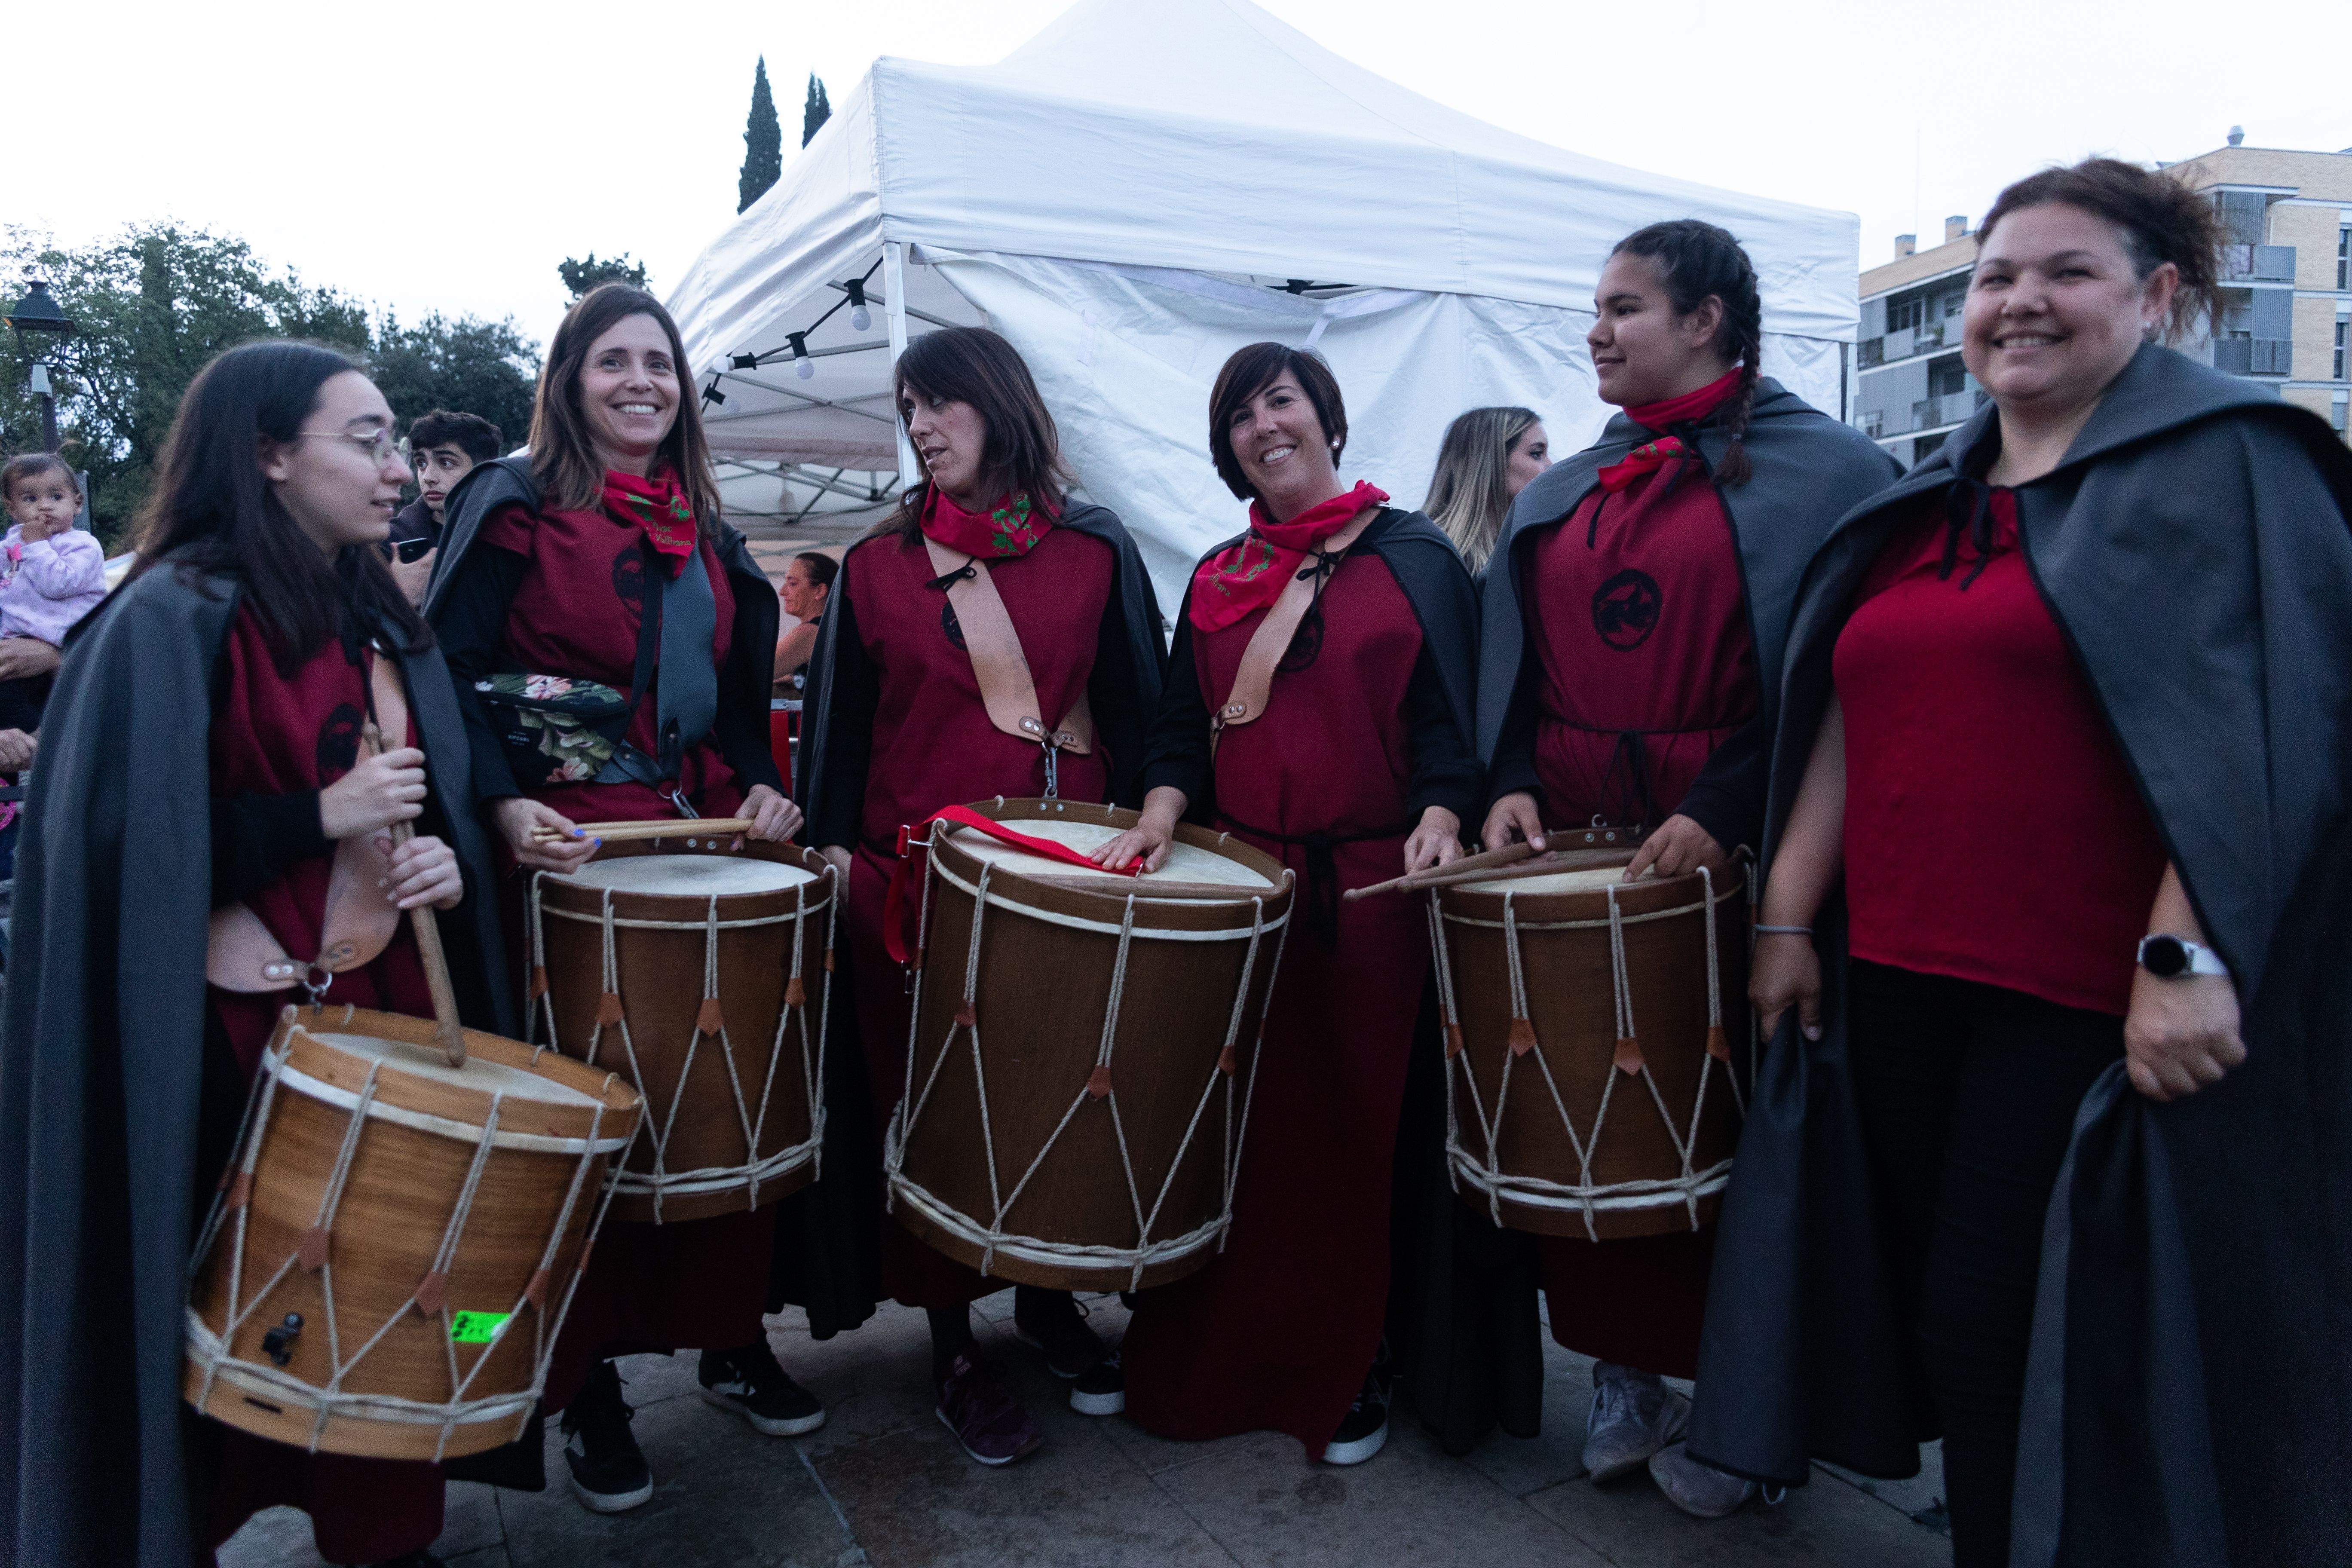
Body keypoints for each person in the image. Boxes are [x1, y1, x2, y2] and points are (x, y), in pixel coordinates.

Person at [1698, 159, 2352, 1567]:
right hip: (1894, 985)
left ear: (2157, 293)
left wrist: (2185, 950)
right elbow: (1842, 716)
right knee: (1930, 1309)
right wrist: (1786, 919)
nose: (2017, 302)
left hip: (2085, 1005)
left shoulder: (2235, 461)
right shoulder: (1923, 500)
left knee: (1996, 1329)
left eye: (2065, 272)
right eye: (1997, 275)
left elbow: (2271, 730)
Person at [0, 340, 513, 1568]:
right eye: (366, 440)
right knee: (211, 1322)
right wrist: (314, 819)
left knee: (391, 1303)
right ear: (271, 454)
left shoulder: (381, 613)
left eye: (398, 443)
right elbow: (119, 859)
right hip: (216, 1047)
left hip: (380, 1009)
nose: (397, 468)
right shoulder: (166, 616)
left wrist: (443, 862)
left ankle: (385, 1540)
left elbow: (423, 802)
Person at [1444, 220, 1899, 1516]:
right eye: (1596, 306)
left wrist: (1726, 798)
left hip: (1738, 852)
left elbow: (1835, 680)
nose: (1596, 329)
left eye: (1625, 307)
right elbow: (1514, 660)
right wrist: (1514, 774)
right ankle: (1627, 1376)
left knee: (1735, 1134)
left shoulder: (1829, 473)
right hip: (1586, 847)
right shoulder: (1569, 486)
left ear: (1707, 320)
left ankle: (1746, 1401)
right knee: (1594, 1107)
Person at [427, 283, 813, 1516]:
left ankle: (729, 1340)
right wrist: (495, 807)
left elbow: (743, 706)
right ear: (569, 380)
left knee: (721, 1104)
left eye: (660, 362)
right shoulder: (514, 504)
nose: (642, 381)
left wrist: (763, 787)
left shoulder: (708, 527)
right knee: (589, 1128)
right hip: (565, 862)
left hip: (702, 852)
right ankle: (584, 1382)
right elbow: (446, 675)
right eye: (614, 362)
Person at [1093, 341, 1481, 1467]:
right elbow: (1179, 726)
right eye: (1240, 417)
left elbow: (1454, 721)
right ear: (1226, 452)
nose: (1265, 426)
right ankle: (1218, 1343)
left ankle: (1356, 1359)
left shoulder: (1417, 558)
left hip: (1376, 899)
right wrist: (1162, 814)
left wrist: (1447, 806)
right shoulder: (1216, 578)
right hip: (1247, 890)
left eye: (1282, 401)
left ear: (1326, 417)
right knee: (1235, 1140)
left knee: (1356, 1143)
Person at [799, 325, 1166, 1466]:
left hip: (1063, 885)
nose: (920, 426)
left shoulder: (1096, 548)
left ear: (999, 405)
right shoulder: (875, 566)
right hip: (912, 886)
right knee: (935, 1108)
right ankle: (953, 1338)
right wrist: (828, 855)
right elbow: (839, 736)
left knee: (1052, 1098)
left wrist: (1160, 815)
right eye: (910, 409)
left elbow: (1146, 715)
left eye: (939, 404)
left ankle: (1049, 1300)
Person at [0, 453, 104, 733]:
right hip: (18, 640)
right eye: (30, 499)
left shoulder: (82, 546)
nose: (44, 507)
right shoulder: (11, 545)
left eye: (56, 497)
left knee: (30, 718)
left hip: (66, 642)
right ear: (12, 509)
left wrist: (35, 546)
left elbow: (59, 585)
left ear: (77, 503)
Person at [389, 410, 502, 608]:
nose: (428, 477)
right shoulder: (391, 541)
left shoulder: (506, 535)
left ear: (483, 470)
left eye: (446, 463)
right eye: (421, 463)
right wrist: (399, 597)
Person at [1423, 406, 1549, 573]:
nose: (1551, 466)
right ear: (1492, 461)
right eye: (1536, 454)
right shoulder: (1429, 553)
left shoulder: (1532, 546)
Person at [773, 549, 835, 693]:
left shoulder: (810, 632)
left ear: (819, 591)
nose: (782, 592)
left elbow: (756, 669)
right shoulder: (831, 627)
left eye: (793, 584)